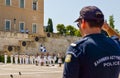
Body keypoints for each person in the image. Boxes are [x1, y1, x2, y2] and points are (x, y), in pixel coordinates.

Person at [63, 6, 120, 78]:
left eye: (78, 24)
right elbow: (118, 39)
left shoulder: (78, 48)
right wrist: (108, 29)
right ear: (102, 24)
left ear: (83, 22)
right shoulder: (115, 44)